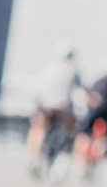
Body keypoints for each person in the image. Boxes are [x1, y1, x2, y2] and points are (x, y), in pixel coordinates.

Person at [27, 43, 81, 178]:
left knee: (38, 130)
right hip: (64, 108)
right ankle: (61, 162)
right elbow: (79, 90)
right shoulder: (73, 70)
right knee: (70, 135)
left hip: (47, 105)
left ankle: (35, 158)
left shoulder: (50, 68)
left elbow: (40, 87)